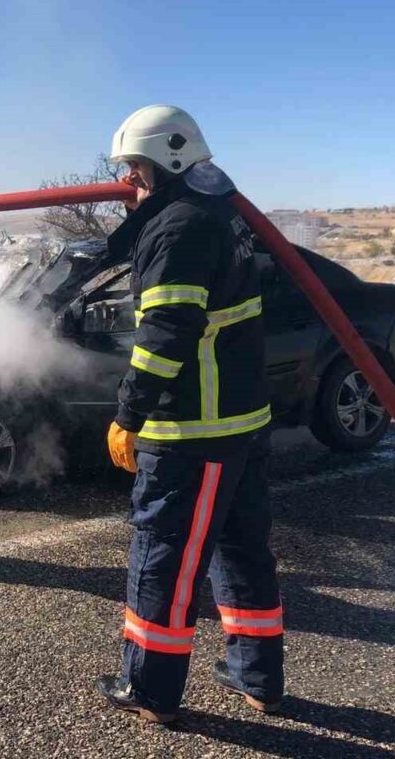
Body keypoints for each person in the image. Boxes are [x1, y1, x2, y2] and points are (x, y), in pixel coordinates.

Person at [94, 105, 285, 722]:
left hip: (190, 431)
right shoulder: (219, 213)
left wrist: (128, 414)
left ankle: (149, 689)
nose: (129, 180)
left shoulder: (178, 227)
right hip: (242, 422)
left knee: (165, 558)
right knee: (244, 553)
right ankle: (256, 678)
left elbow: (168, 331)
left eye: (135, 169)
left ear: (163, 163)